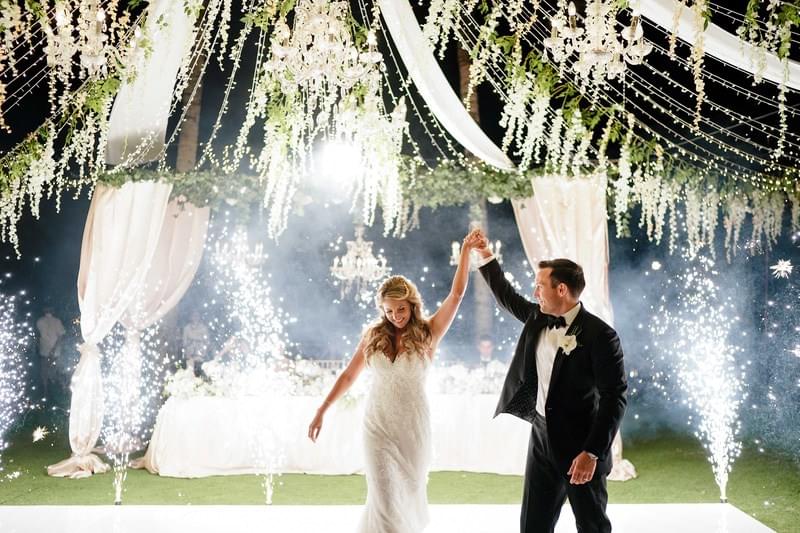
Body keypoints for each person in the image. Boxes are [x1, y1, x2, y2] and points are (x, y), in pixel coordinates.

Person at [308, 230, 480, 532]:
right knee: (385, 497)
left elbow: (457, 295)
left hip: (412, 428)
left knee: (407, 499)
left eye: (401, 309)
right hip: (377, 426)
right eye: (389, 311)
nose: (396, 316)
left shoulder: (428, 333)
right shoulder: (373, 335)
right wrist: (322, 410)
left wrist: (465, 250)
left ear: (412, 305)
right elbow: (349, 375)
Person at [473, 229, 627, 533]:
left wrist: (592, 453)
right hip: (541, 439)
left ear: (561, 290)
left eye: (540, 286)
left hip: (582, 447)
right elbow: (506, 296)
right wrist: (485, 255)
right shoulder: (536, 317)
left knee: (592, 526)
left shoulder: (601, 336)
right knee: (532, 526)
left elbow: (615, 396)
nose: (534, 293)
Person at [36, 307, 66, 398]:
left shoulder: (39, 321)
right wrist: (54, 349)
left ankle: (46, 392)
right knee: (57, 370)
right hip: (55, 352)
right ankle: (62, 389)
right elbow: (61, 337)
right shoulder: (57, 321)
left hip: (44, 351)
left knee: (45, 372)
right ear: (53, 311)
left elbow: (37, 336)